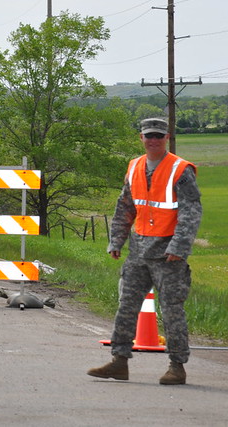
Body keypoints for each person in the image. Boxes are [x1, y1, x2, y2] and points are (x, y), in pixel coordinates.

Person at [87, 117, 202, 385]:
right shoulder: (135, 166)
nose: (153, 140)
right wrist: (116, 240)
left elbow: (191, 212)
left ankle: (177, 367)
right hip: (138, 249)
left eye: (158, 136)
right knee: (126, 305)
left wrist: (179, 247)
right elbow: (125, 206)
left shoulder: (180, 170)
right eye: (148, 135)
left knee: (172, 309)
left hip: (167, 253)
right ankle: (119, 362)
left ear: (167, 137)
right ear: (141, 137)